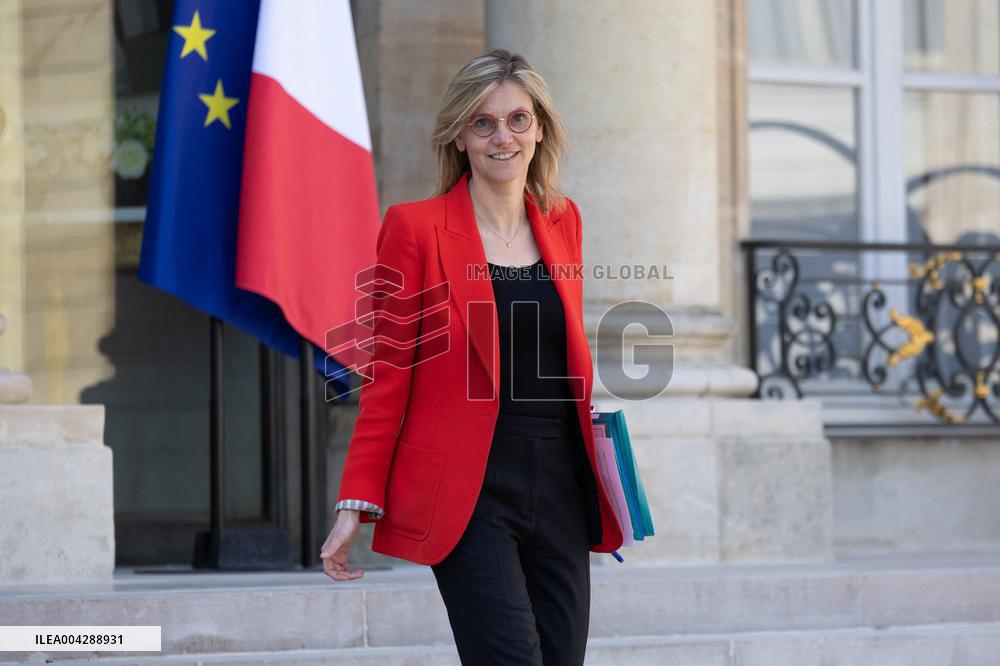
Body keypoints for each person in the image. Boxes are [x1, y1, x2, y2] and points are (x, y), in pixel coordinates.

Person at [320, 48, 624, 666]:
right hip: (471, 489)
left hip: (561, 485)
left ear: (539, 129)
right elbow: (388, 378)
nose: (502, 136)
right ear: (460, 136)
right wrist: (357, 500)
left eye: (517, 119)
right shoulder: (413, 228)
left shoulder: (563, 222)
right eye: (483, 123)